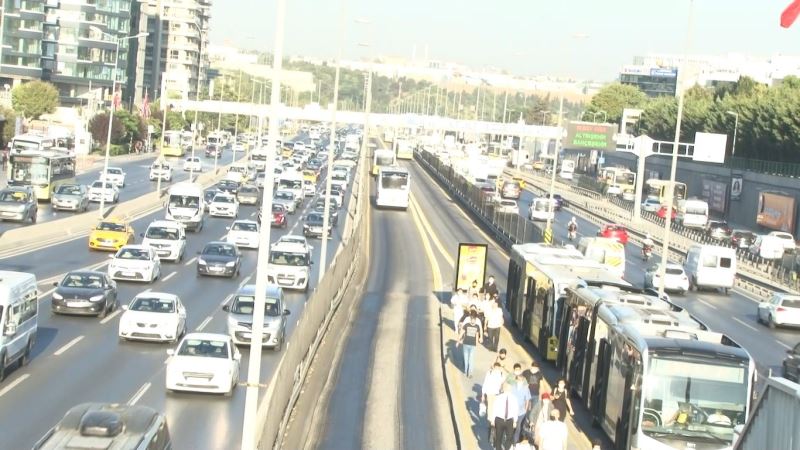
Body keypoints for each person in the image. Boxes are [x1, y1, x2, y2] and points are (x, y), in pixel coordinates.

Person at [491, 383, 519, 450]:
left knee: (509, 437)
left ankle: (506, 448)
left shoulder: (514, 398)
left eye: (509, 388)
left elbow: (516, 410)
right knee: (498, 437)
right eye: (507, 388)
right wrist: (493, 420)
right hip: (499, 419)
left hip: (509, 420)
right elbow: (494, 408)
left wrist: (515, 421)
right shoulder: (498, 397)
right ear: (503, 389)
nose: (508, 389)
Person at [482, 363, 506, 441]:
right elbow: (485, 384)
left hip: (497, 395)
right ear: (494, 367)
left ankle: (493, 424)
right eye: (496, 368)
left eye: (498, 368)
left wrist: (502, 371)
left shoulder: (501, 374)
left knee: (495, 410)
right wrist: (483, 395)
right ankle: (491, 424)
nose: (497, 369)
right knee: (490, 410)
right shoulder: (489, 373)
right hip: (489, 394)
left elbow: (504, 380)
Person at [511, 365, 532, 443]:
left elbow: (527, 400)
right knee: (511, 426)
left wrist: (526, 409)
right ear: (516, 380)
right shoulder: (512, 387)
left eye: (521, 380)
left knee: (518, 427)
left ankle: (515, 442)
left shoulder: (526, 388)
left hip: (521, 412)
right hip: (512, 411)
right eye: (519, 380)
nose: (520, 382)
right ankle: (511, 438)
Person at [458, 312, 483, 377]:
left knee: (471, 359)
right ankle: (466, 371)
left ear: (475, 320)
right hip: (465, 344)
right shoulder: (466, 325)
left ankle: (470, 373)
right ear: (470, 319)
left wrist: (477, 343)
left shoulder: (477, 326)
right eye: (472, 319)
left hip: (472, 345)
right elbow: (462, 333)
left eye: (474, 319)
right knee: (466, 359)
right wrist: (458, 341)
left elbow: (477, 335)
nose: (473, 321)